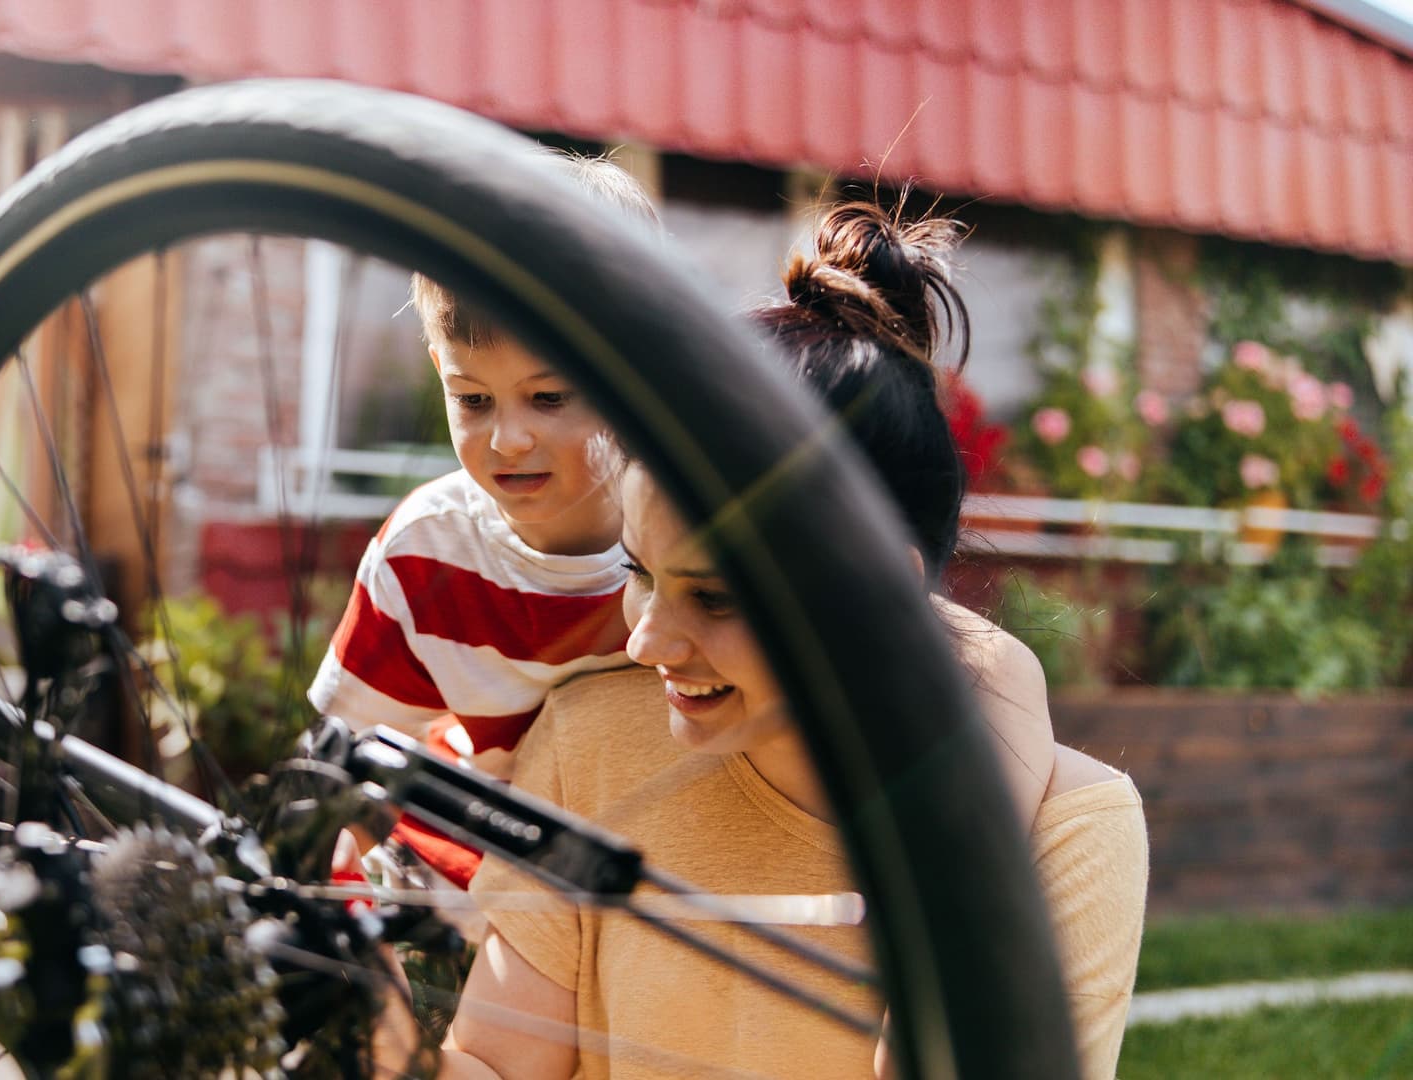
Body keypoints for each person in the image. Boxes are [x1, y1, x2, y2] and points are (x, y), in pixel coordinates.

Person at [418, 202, 1149, 1079]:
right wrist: (383, 1049)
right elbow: (492, 1065)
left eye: (716, 598)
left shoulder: (1072, 831)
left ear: (879, 594)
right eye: (640, 571)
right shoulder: (591, 742)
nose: (647, 641)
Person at [307, 154, 660, 886]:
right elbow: (342, 757)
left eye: (550, 398)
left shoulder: (679, 558)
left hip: (627, 891)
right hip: (452, 885)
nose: (507, 440)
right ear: (439, 366)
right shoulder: (425, 550)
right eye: (472, 399)